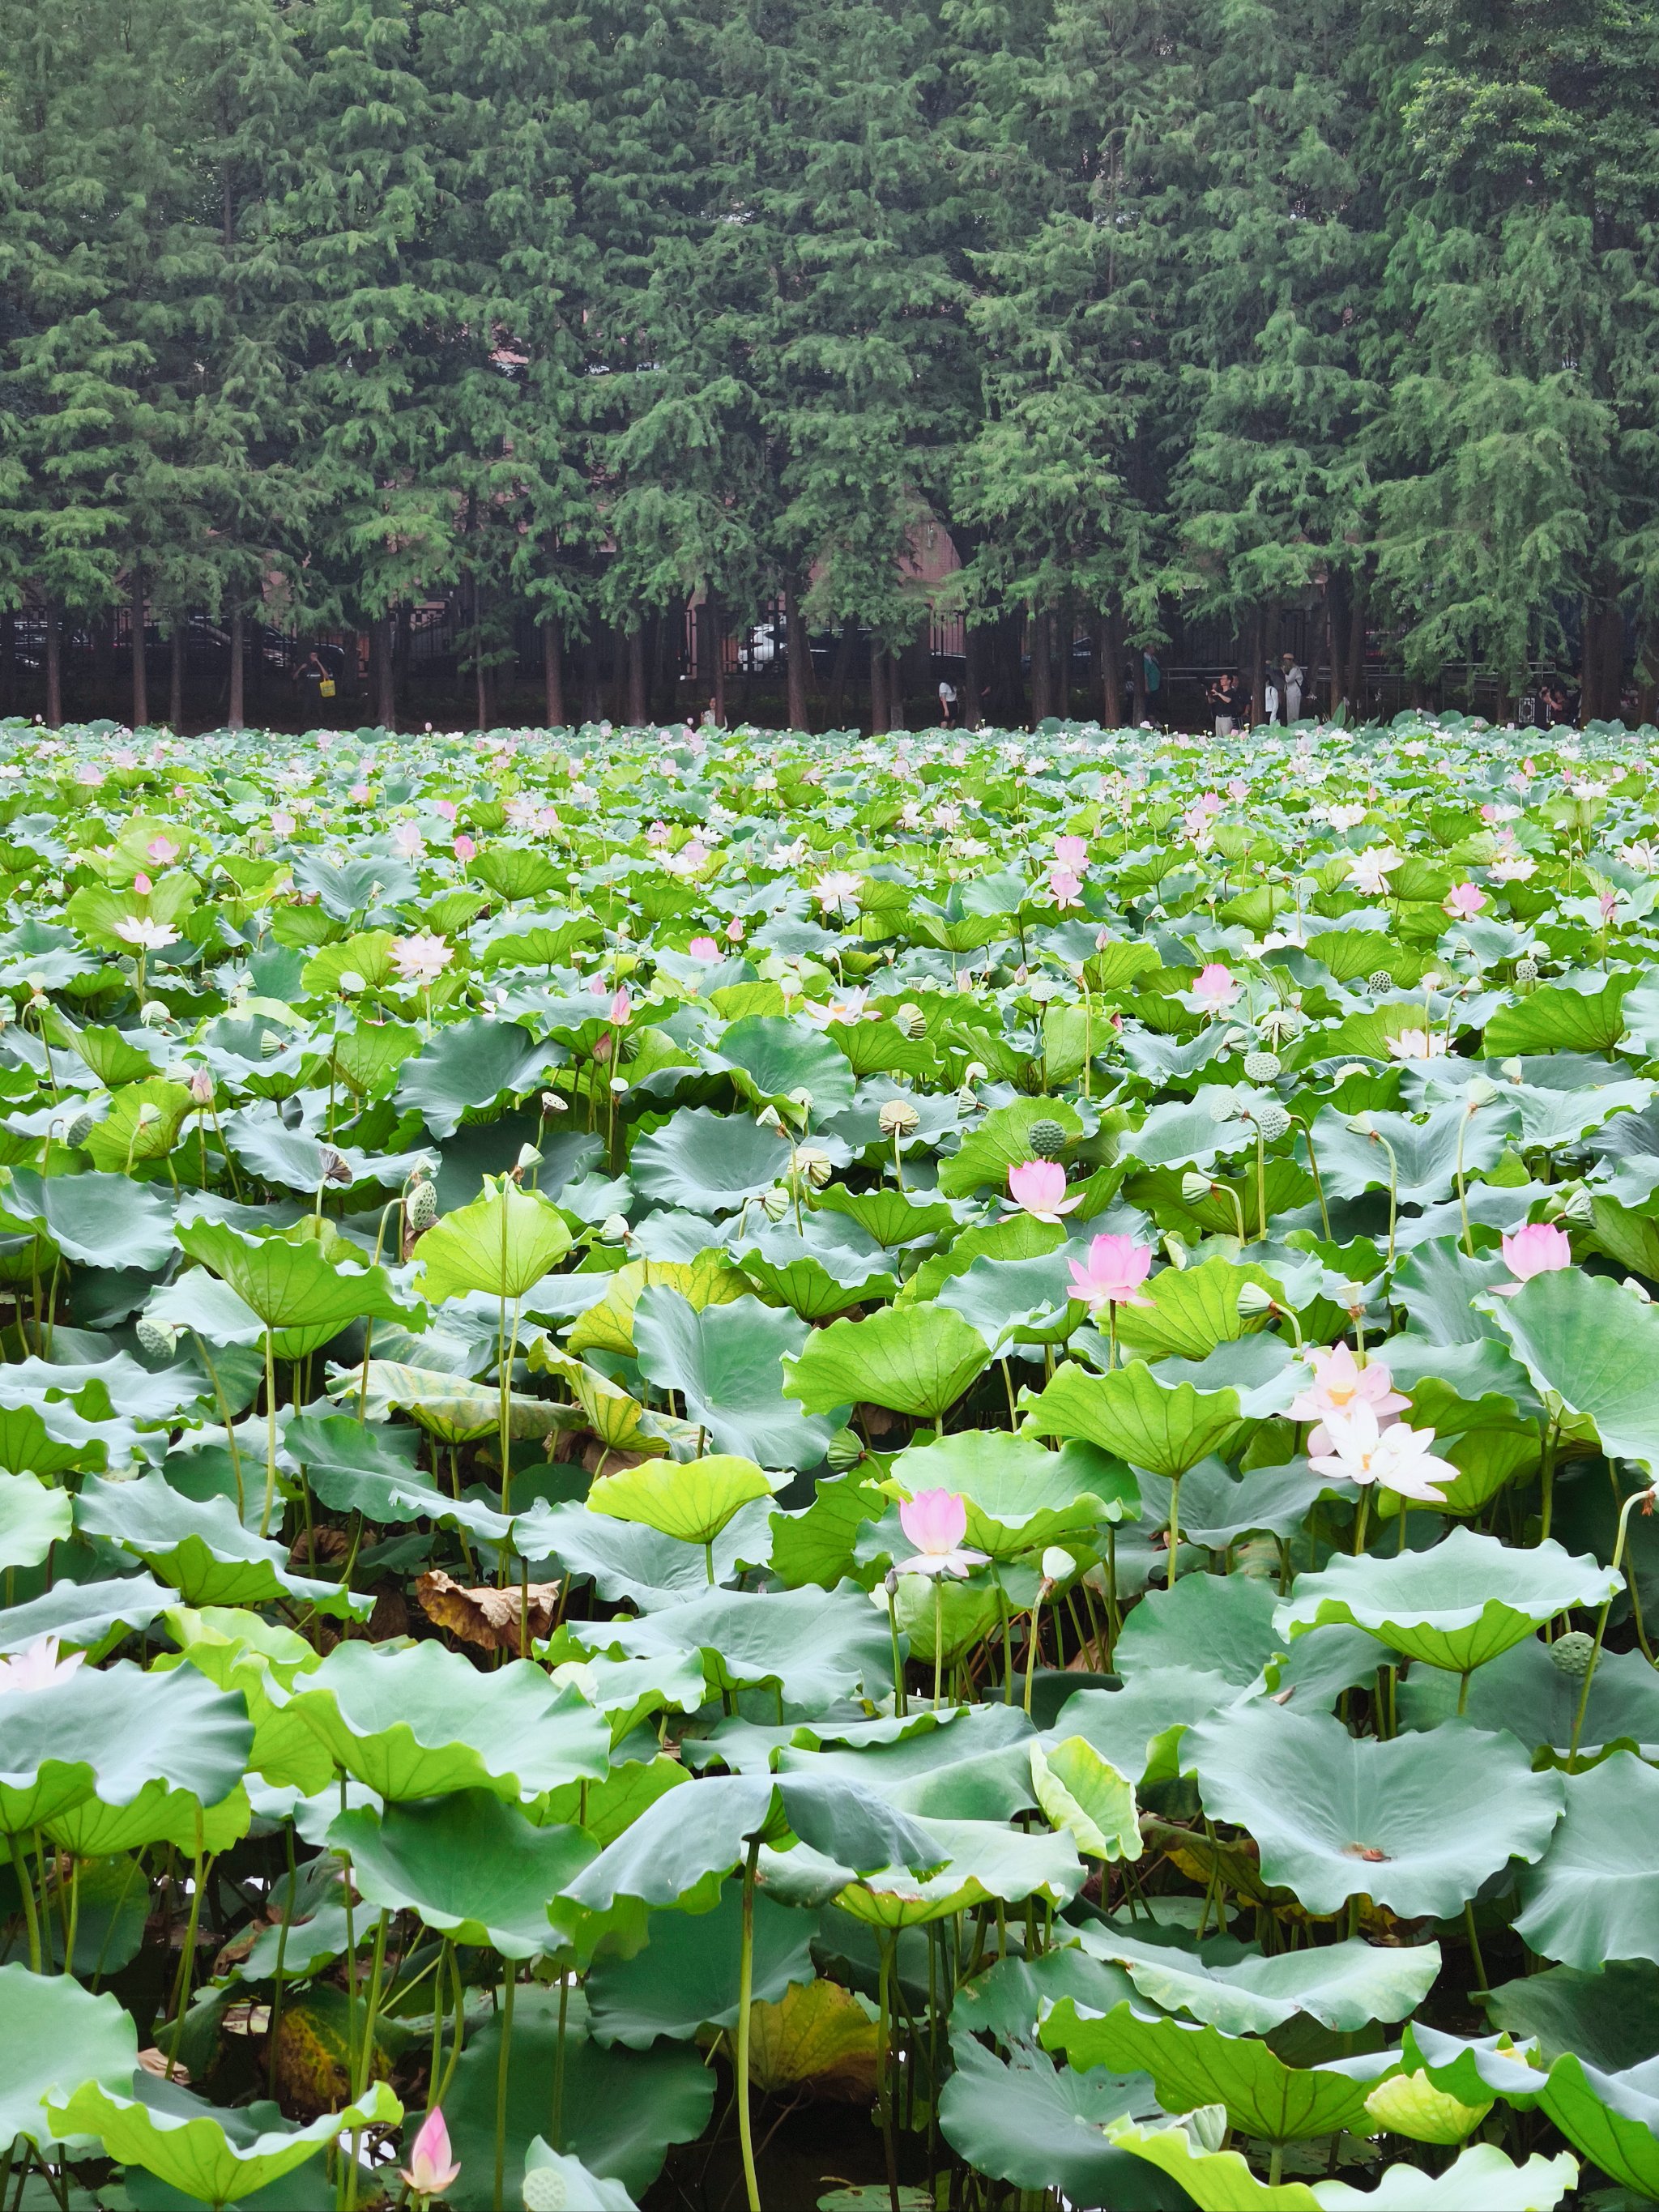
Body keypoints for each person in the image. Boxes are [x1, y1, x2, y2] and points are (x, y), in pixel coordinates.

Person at [1278, 650, 1305, 723]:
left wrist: (1284, 672)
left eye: (1286, 661)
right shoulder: (1290, 669)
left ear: (1290, 661)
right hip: (1290, 693)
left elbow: (1288, 680)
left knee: (1294, 713)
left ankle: (1294, 728)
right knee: (1289, 713)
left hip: (1295, 693)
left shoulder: (1295, 669)